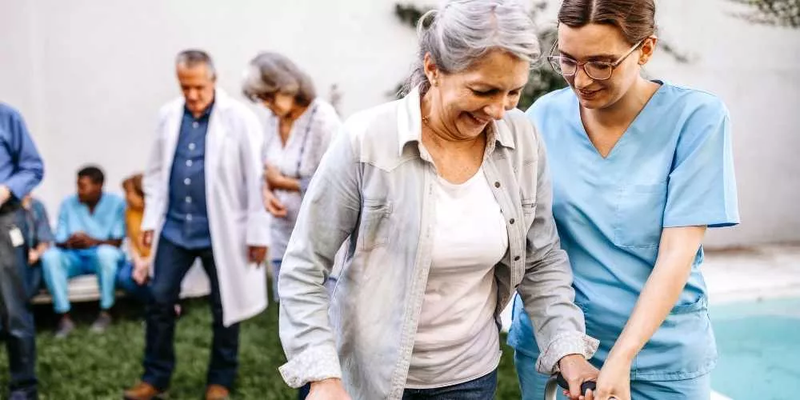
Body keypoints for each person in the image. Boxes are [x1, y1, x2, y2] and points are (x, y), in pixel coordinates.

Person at [277, 1, 601, 399]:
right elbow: (304, 268)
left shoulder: (522, 138)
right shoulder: (367, 140)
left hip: (469, 379)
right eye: (483, 90)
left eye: (513, 92)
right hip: (364, 380)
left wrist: (568, 350)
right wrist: (323, 377)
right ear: (433, 69)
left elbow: (541, 258)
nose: (498, 110)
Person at [507, 1, 740, 399]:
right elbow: (530, 245)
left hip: (661, 357)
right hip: (555, 351)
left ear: (645, 49)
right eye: (568, 60)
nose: (581, 80)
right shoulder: (542, 117)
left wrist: (622, 356)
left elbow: (677, 254)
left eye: (601, 64)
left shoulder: (696, 119)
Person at [123, 49, 270, 400]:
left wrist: (257, 232)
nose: (191, 95)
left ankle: (220, 380)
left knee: (225, 305)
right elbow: (155, 172)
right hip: (175, 228)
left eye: (198, 87)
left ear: (214, 80)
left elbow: (256, 179)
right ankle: (155, 377)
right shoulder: (168, 115)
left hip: (222, 231)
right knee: (159, 299)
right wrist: (150, 219)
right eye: (185, 87)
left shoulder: (239, 118)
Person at [242, 51, 341, 303]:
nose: (266, 104)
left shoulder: (323, 120)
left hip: (319, 242)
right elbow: (266, 169)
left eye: (269, 96)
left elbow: (337, 184)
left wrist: (282, 183)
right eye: (260, 98)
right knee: (287, 314)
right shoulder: (273, 120)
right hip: (282, 236)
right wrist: (266, 192)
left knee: (319, 315)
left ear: (288, 86)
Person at [41, 165, 126, 338]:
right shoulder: (68, 204)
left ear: (98, 186)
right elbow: (59, 240)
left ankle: (106, 311)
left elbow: (117, 241)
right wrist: (70, 243)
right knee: (50, 257)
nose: (78, 191)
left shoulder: (116, 203)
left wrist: (92, 241)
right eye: (77, 185)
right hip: (74, 257)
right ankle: (64, 316)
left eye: (83, 186)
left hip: (100, 256)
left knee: (106, 254)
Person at [0, 102, 44, 400]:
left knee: (13, 310)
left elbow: (33, 166)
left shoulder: (7, 116)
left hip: (4, 221)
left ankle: (23, 388)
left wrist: (5, 189)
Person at [115, 174, 152, 302]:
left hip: (156, 259)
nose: (126, 197)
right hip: (138, 260)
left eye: (129, 193)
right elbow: (131, 241)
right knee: (124, 277)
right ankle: (152, 303)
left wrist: (147, 263)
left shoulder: (155, 213)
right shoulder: (129, 213)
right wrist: (138, 263)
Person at [21, 194, 54, 299]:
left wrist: (36, 254)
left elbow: (45, 240)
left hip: (32, 260)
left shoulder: (36, 206)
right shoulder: (6, 207)